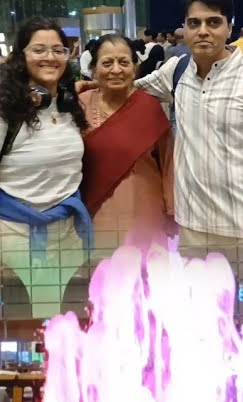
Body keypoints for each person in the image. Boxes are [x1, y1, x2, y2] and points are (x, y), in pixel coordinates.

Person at [133, 0, 243, 247]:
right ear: (185, 28)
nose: (203, 31)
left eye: (213, 22)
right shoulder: (176, 70)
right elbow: (129, 90)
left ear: (229, 29)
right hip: (191, 224)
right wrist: (88, 86)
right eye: (194, 23)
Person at [0, 17, 92, 319]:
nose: (50, 57)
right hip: (12, 238)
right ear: (21, 56)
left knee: (67, 326)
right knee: (19, 328)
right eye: (39, 49)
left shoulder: (69, 105)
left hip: (67, 239)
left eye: (58, 50)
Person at [79, 33, 175, 245]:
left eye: (123, 62)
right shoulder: (80, 105)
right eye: (107, 63)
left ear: (135, 68)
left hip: (147, 213)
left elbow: (168, 161)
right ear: (94, 69)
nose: (116, 70)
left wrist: (172, 209)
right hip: (97, 213)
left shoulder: (149, 106)